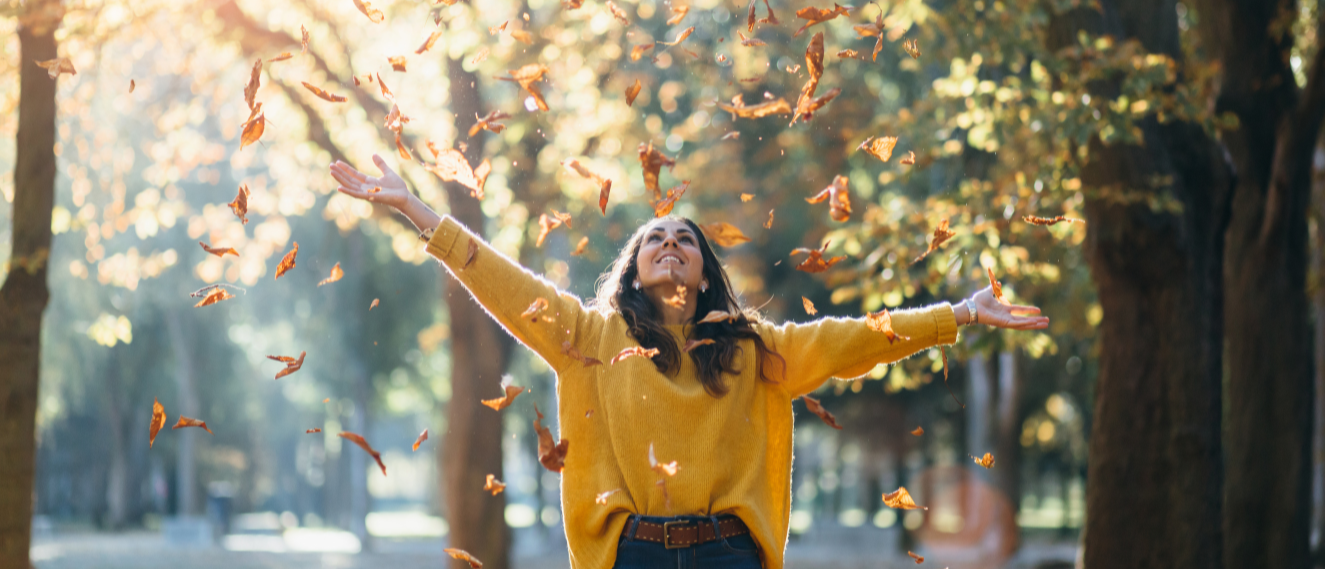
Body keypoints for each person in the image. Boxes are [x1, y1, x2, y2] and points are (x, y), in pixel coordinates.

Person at [329, 155, 1050, 569]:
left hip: (728, 556)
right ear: (635, 271)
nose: (669, 243)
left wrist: (955, 315)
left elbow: (856, 335)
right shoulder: (588, 336)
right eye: (653, 240)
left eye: (685, 239)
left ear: (705, 271)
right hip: (631, 556)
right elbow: (500, 280)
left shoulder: (755, 348)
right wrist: (415, 210)